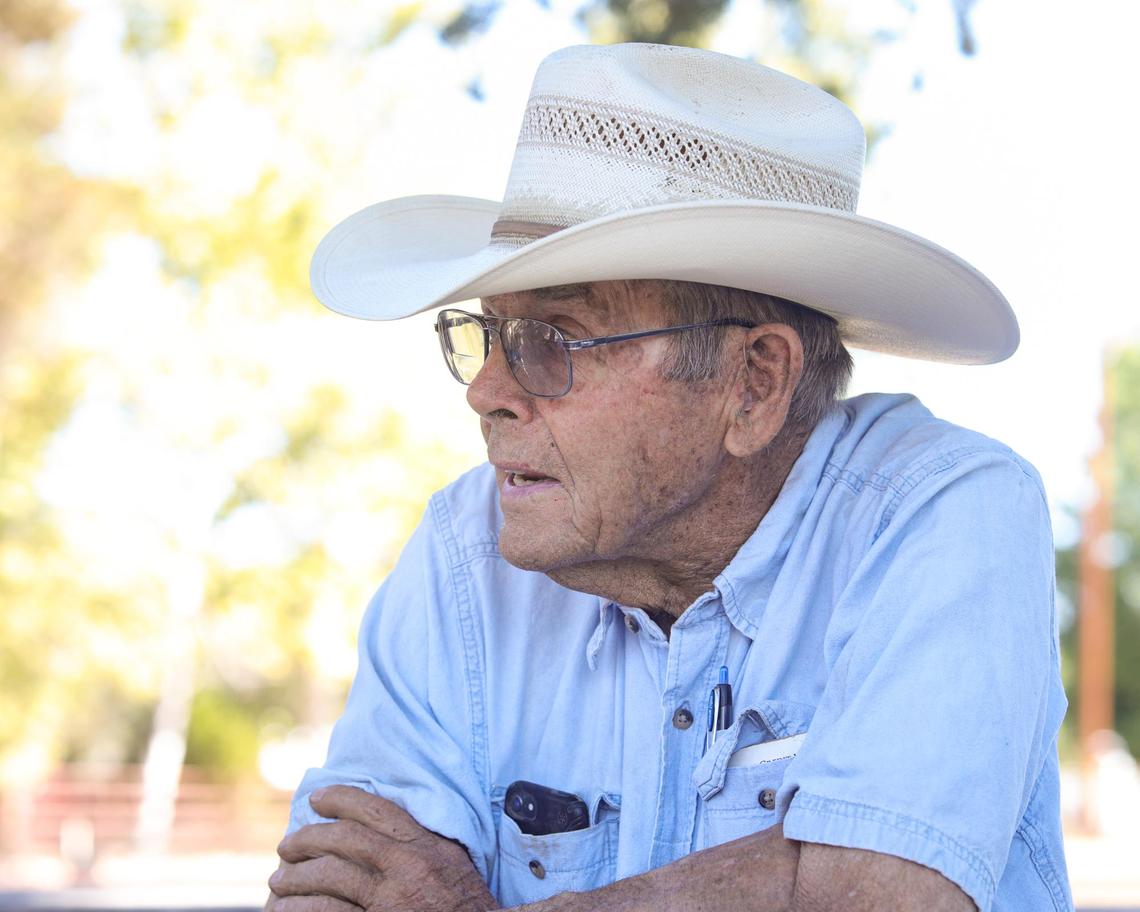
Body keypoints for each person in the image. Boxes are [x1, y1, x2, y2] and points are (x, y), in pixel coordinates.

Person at [265, 43, 1072, 912]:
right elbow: (335, 886)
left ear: (753, 384)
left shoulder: (942, 511)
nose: (487, 391)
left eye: (553, 340)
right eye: (486, 335)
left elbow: (875, 901)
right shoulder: (470, 549)